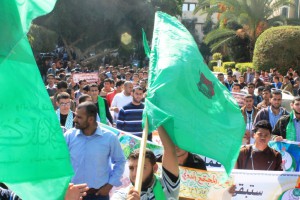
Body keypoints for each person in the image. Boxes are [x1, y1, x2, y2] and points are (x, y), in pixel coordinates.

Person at [64, 102, 126, 200]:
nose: (75, 119)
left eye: (79, 117)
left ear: (91, 119)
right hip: (73, 195)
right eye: (75, 116)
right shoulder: (69, 136)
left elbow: (120, 161)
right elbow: (60, 162)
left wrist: (110, 185)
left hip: (99, 195)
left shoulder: (109, 138)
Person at [112, 126, 180, 199]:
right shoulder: (122, 195)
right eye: (131, 168)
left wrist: (158, 120)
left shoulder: (167, 186)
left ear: (155, 168)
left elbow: (169, 149)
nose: (135, 174)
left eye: (141, 168)